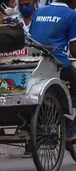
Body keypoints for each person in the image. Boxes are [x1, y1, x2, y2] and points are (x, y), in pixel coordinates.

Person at [29, 0, 76, 142]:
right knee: (74, 88)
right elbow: (74, 49)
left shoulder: (38, 12)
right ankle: (69, 128)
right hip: (56, 61)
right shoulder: (71, 14)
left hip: (32, 61)